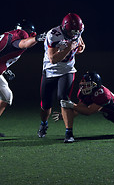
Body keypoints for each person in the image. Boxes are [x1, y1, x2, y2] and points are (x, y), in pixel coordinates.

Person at [37, 13, 85, 142]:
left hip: (67, 70)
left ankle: (69, 133)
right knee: (46, 104)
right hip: (50, 70)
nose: (74, 34)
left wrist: (80, 48)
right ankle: (44, 124)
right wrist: (69, 48)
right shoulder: (53, 35)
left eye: (77, 32)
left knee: (64, 99)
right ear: (64, 28)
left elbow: (80, 45)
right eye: (71, 32)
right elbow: (53, 59)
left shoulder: (77, 31)